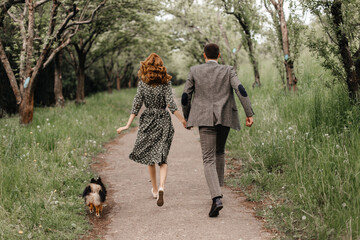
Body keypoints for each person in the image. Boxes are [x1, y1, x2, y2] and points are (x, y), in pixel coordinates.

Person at [181, 43, 254, 217]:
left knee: (208, 159)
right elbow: (240, 89)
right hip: (225, 116)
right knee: (219, 152)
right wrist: (249, 113)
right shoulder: (228, 70)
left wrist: (187, 117)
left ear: (204, 55)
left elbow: (185, 96)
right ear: (219, 55)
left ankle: (216, 197)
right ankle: (218, 189)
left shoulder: (195, 71)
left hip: (204, 119)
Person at [117, 53, 187, 207]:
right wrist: (182, 120)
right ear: (161, 67)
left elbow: (136, 104)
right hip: (163, 120)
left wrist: (127, 125)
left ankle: (155, 189)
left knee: (150, 157)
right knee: (162, 158)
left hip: (148, 119)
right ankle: (162, 186)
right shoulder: (166, 83)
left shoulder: (143, 83)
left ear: (146, 67)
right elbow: (171, 105)